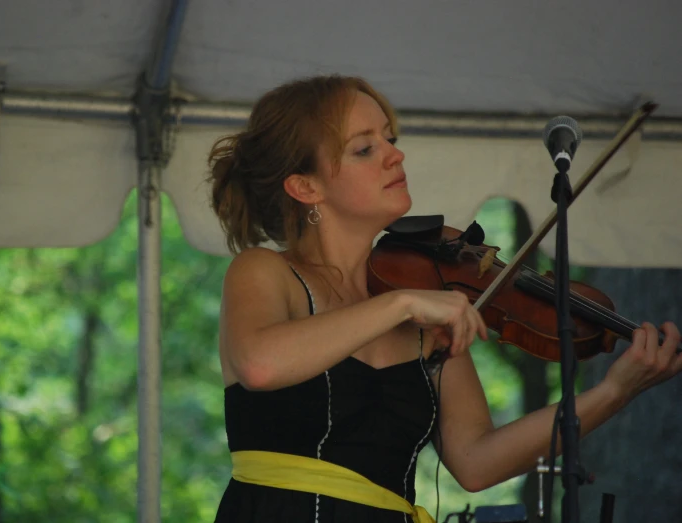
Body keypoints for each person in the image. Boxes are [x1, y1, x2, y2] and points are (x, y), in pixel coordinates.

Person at [205, 74, 682, 523]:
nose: (395, 156)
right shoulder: (267, 272)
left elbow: (477, 461)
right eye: (365, 148)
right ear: (305, 187)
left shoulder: (428, 295)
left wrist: (614, 392)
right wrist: (403, 305)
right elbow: (260, 364)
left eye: (390, 139)